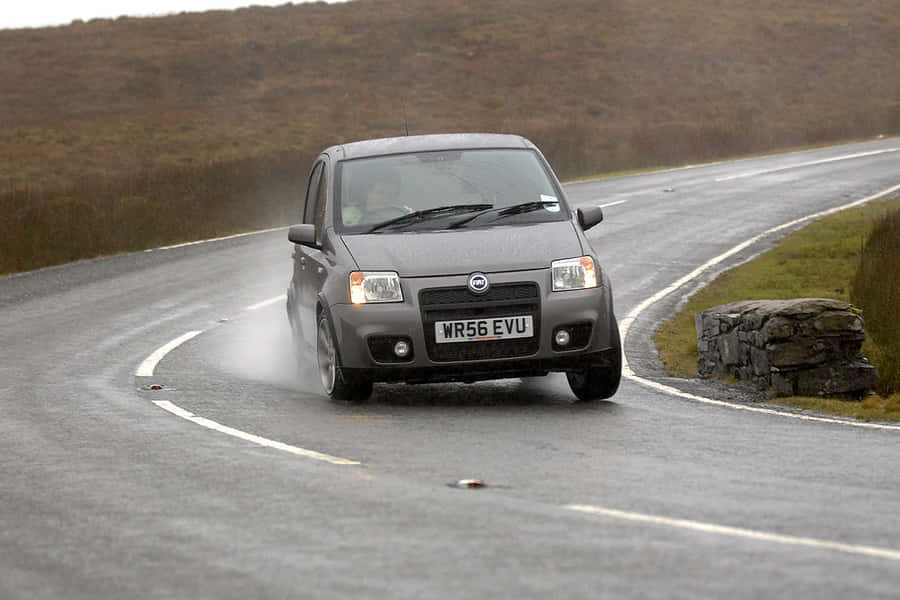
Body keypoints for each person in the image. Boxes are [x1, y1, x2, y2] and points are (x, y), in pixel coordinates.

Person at [343, 170, 412, 226]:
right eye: (380, 193)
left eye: (391, 194)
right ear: (367, 192)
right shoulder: (347, 217)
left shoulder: (403, 217)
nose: (386, 198)